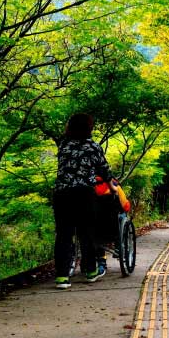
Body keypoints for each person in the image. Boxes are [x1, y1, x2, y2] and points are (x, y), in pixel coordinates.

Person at [53, 113, 115, 289]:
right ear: (89, 128)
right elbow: (103, 169)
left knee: (64, 234)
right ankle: (89, 271)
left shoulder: (64, 145)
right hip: (84, 194)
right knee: (86, 232)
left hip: (62, 194)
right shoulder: (93, 146)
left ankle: (62, 277)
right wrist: (112, 187)